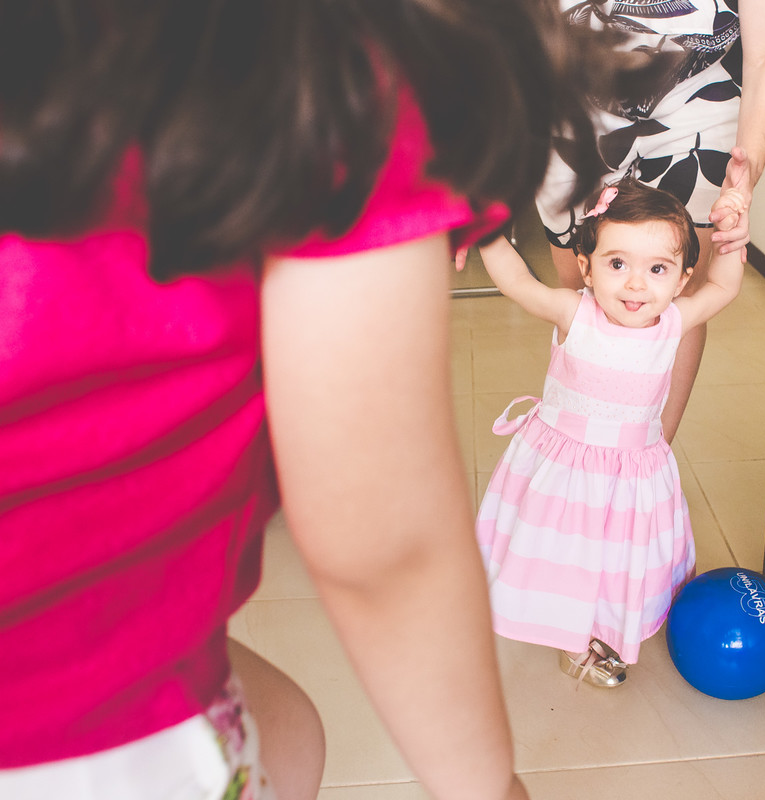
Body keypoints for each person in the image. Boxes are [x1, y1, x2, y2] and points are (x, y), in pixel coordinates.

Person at [0, 3, 608, 799]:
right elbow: (384, 546)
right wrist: (489, 790)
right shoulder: (330, 78)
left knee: (291, 736)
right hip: (68, 738)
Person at [474, 178, 745, 687]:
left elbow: (725, 286)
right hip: (565, 469)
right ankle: (568, 635)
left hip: (633, 475)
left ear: (683, 278)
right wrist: (485, 230)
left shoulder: (674, 324)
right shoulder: (573, 312)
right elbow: (517, 282)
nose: (635, 285)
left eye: (657, 269)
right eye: (617, 264)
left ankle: (601, 635)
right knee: (566, 556)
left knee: (617, 559)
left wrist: (730, 237)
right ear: (586, 267)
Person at [535, 0, 765, 442]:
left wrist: (744, 177)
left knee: (671, 294)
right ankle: (577, 448)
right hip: (570, 83)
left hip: (701, 93)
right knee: (586, 290)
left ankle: (645, 458)